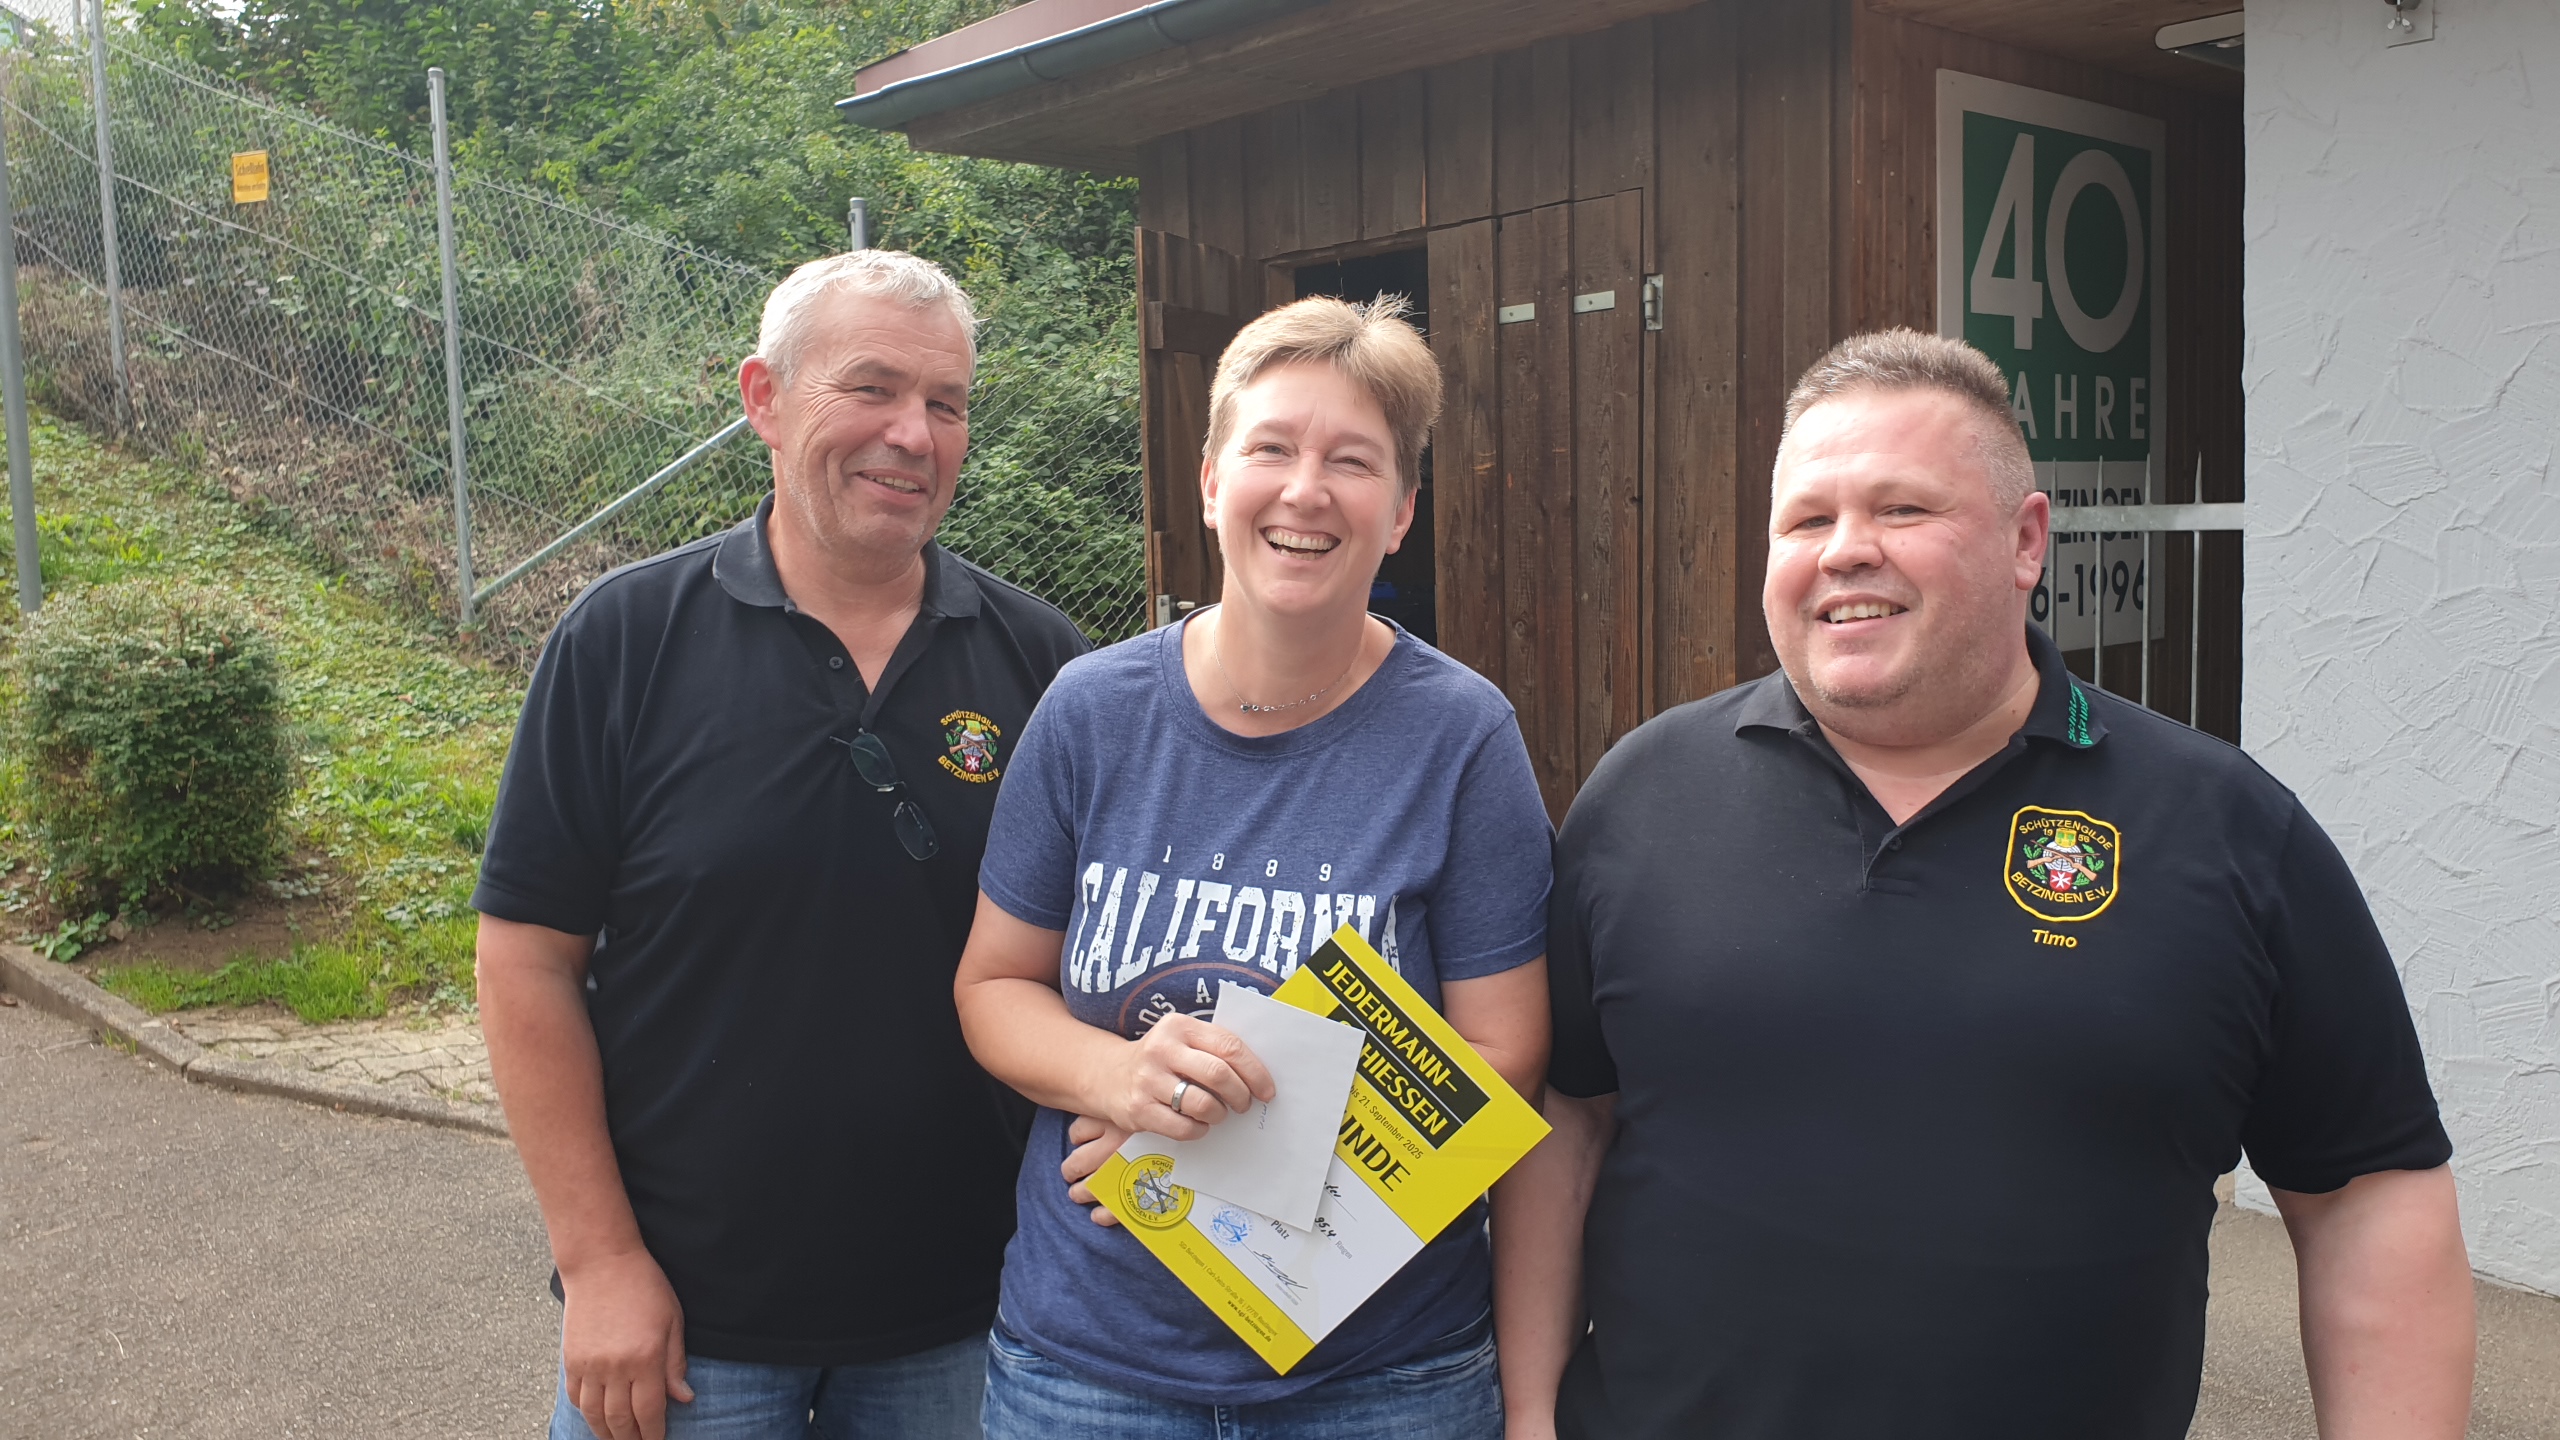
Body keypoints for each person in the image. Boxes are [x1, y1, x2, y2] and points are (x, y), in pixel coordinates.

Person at [1498, 329, 2474, 1439]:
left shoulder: (2227, 829)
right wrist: (1529, 1413)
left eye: (1902, 509)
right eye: (1806, 520)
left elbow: (2366, 1193)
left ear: (2025, 541)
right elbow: (1567, 1119)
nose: (1845, 550)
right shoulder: (1642, 795)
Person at [474, 250, 1089, 1440]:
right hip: (683, 1329)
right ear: (763, 397)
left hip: (970, 1317)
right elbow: (526, 963)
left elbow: (1091, 964)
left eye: (946, 403)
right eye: (872, 388)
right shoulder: (624, 643)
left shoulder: (1045, 665)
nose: (912, 434)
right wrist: (599, 1261)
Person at [951, 295, 1553, 1439]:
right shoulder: (1089, 711)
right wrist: (1113, 1077)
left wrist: (1225, 1147)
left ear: (1401, 511)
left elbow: (1505, 1057)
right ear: (1210, 480)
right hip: (1091, 1368)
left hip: (1380, 1379)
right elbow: (993, 986)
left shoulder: (1462, 736)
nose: (1305, 490)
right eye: (1271, 447)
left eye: (1353, 461)